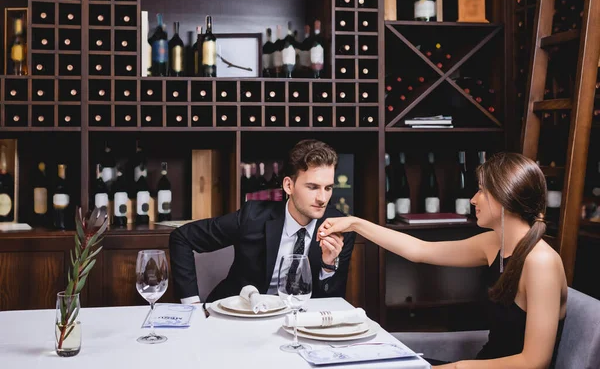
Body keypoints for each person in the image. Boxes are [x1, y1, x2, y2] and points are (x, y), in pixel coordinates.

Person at [317, 152, 567, 369]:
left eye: (481, 190)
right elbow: (419, 250)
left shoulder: (540, 262)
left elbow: (535, 362)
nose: (473, 199)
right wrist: (355, 223)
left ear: (504, 197)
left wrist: (456, 366)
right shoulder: (493, 244)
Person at [170, 139, 356, 304]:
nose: (323, 198)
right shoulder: (253, 217)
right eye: (313, 187)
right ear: (288, 186)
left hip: (299, 325)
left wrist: (328, 267)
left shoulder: (339, 229)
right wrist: (191, 304)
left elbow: (332, 303)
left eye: (328, 188)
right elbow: (182, 237)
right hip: (239, 317)